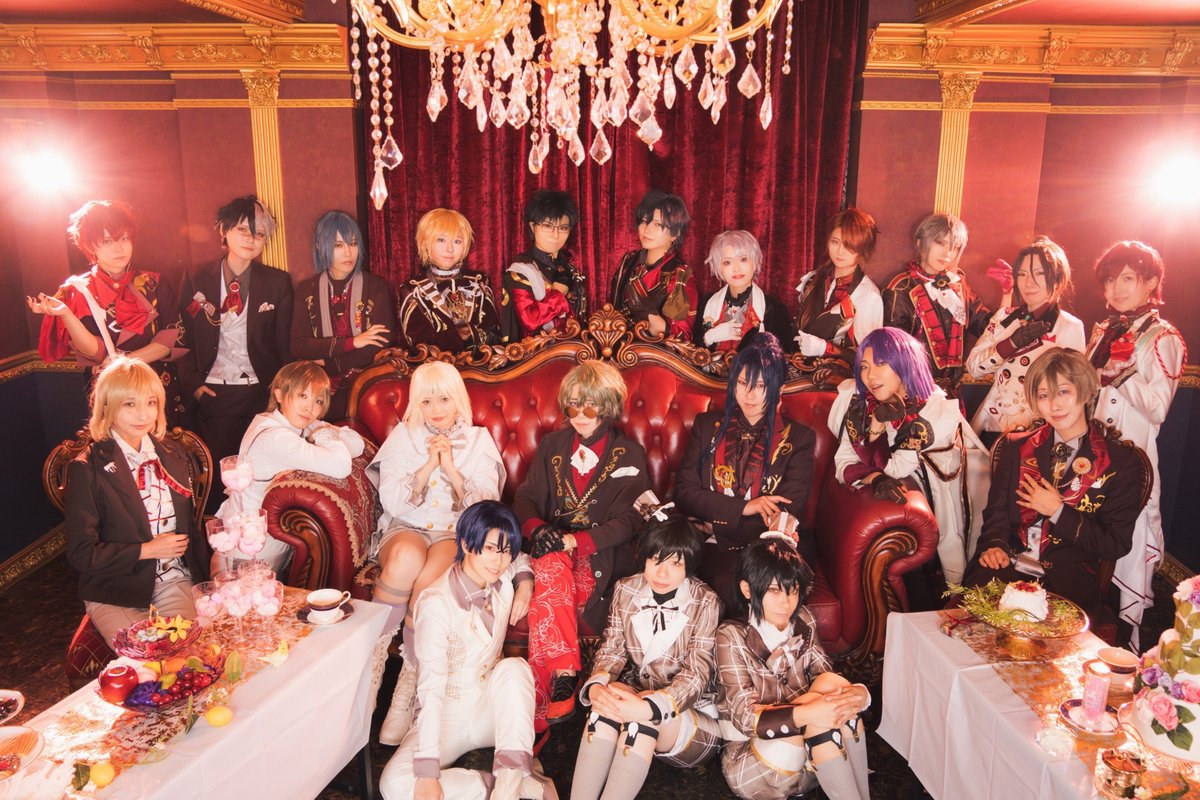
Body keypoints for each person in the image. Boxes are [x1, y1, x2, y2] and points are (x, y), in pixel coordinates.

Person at [370, 361, 508, 745]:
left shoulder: (478, 440)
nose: (436, 409)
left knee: (430, 582)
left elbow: (485, 506)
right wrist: (428, 464)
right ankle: (370, 677)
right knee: (404, 560)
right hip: (407, 526)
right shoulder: (403, 437)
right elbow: (393, 502)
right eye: (427, 401)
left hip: (453, 531)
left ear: (457, 398)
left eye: (444, 399)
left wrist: (450, 469)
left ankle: (407, 690)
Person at [964, 348, 1150, 624]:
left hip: (1068, 583)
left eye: (1063, 392)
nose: (1054, 405)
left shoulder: (1121, 464)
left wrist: (1058, 512)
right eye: (1043, 395)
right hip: (1004, 570)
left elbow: (1114, 544)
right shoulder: (1016, 447)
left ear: (1085, 392)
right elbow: (997, 514)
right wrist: (994, 546)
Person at [378, 501, 549, 800]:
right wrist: (427, 774)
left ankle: (507, 790)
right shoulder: (436, 603)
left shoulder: (501, 574)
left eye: (505, 550)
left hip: (491, 711)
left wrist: (525, 585)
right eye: (490, 549)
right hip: (447, 714)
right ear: (467, 544)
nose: (499, 561)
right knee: (394, 784)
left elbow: (521, 559)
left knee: (514, 669)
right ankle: (515, 786)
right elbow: (431, 690)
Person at [513, 361, 649, 730]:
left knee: (549, 581)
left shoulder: (629, 453)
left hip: (599, 555)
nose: (581, 416)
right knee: (551, 562)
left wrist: (576, 540)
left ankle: (542, 703)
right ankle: (565, 675)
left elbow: (631, 520)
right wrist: (538, 529)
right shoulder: (551, 445)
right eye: (573, 405)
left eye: (591, 406)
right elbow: (525, 498)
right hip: (553, 550)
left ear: (608, 406)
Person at [571, 512, 722, 800]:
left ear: (689, 565)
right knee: (606, 704)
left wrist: (649, 709)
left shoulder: (706, 602)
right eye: (655, 560)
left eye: (675, 564)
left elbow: (696, 675)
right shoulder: (626, 588)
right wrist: (598, 686)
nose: (662, 574)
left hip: (691, 718)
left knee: (641, 721)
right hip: (634, 701)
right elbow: (612, 649)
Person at [64, 356, 210, 647]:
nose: (143, 414)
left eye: (151, 402)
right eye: (129, 404)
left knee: (186, 653)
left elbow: (190, 528)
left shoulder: (173, 454)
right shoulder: (86, 468)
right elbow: (82, 553)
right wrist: (146, 550)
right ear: (107, 406)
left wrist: (211, 577)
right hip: (116, 590)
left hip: (174, 579)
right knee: (145, 657)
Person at [716, 534, 871, 800]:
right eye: (774, 591)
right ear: (747, 589)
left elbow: (826, 676)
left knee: (834, 688)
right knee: (822, 709)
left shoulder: (804, 618)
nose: (786, 603)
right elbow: (745, 718)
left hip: (814, 748)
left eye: (793, 590)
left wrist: (860, 694)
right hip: (755, 763)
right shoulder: (730, 635)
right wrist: (810, 712)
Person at [827, 327, 986, 585]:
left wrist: (876, 427)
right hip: (903, 524)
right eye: (864, 367)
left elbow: (896, 468)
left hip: (947, 512)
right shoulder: (859, 404)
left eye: (881, 363)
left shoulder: (934, 411)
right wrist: (875, 479)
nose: (870, 376)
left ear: (905, 363)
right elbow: (843, 463)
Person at [1085, 242, 1185, 641]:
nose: (1117, 288)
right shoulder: (1103, 330)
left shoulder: (1163, 337)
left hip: (1131, 462)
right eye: (1110, 280)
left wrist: (1122, 373)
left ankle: (1123, 647)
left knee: (1124, 554)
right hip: (1090, 456)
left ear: (1152, 282)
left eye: (1128, 278)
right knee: (1085, 551)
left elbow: (1158, 409)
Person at [672, 332, 816, 610]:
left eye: (761, 385)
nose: (750, 395)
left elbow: (785, 512)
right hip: (710, 545)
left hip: (768, 546)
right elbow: (684, 492)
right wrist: (745, 508)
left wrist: (716, 524)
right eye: (742, 383)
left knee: (755, 585)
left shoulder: (799, 438)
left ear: (778, 389)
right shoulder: (706, 426)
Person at [177, 195, 294, 514]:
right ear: (224, 231)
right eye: (243, 229)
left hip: (261, 393)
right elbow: (181, 335)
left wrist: (279, 395)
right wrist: (193, 384)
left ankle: (260, 536)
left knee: (262, 475)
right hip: (215, 392)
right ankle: (221, 535)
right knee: (221, 479)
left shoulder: (277, 282)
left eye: (259, 234)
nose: (251, 239)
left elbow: (283, 345)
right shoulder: (196, 278)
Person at [28, 200, 186, 422]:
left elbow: (170, 338)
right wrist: (66, 314)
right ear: (90, 246)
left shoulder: (155, 283)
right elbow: (95, 353)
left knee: (166, 439)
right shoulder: (79, 290)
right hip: (112, 390)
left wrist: (124, 362)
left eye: (124, 238)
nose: (119, 248)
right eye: (107, 241)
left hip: (156, 385)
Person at [217, 360, 364, 574]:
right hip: (250, 554)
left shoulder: (284, 421)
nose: (309, 408)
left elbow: (357, 444)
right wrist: (324, 434)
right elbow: (341, 466)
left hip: (265, 542)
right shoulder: (276, 437)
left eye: (318, 401)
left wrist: (320, 430)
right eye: (302, 396)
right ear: (279, 395)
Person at [966, 237, 1086, 445]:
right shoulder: (1004, 317)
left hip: (1032, 436)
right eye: (1022, 274)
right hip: (989, 427)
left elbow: (1070, 394)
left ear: (1057, 277)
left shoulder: (1069, 326)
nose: (1029, 283)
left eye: (1039, 273)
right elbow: (974, 368)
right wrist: (1011, 343)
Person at [883, 213, 1003, 396]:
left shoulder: (958, 283)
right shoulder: (901, 288)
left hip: (951, 394)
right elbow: (894, 350)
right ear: (920, 243)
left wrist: (1008, 293)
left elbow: (986, 326)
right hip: (913, 391)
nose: (947, 253)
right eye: (940, 243)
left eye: (954, 247)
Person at [291, 211, 394, 420]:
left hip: (367, 385)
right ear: (320, 246)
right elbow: (298, 345)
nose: (348, 252)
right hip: (320, 390)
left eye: (353, 244)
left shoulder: (375, 287)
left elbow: (379, 344)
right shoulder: (307, 289)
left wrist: (328, 363)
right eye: (338, 245)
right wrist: (352, 342)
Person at [396, 208, 500, 353]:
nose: (449, 249)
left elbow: (494, 334)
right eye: (441, 240)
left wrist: (458, 335)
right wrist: (465, 334)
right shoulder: (413, 289)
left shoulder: (479, 281)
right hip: (436, 366)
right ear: (425, 243)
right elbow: (421, 345)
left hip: (482, 364)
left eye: (457, 241)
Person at [794, 207, 884, 364]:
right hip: (796, 366)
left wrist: (826, 348)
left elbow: (869, 358)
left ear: (863, 248)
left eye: (849, 245)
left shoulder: (868, 297)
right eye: (835, 242)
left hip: (837, 376)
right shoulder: (813, 279)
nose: (840, 252)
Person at [499, 190, 588, 343]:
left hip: (577, 349)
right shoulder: (521, 270)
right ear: (533, 227)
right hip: (536, 354)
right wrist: (558, 293)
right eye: (548, 226)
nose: (556, 235)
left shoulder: (569, 267)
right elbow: (529, 320)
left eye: (563, 228)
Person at [609, 190, 698, 339]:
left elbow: (681, 336)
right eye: (644, 221)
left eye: (658, 224)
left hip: (652, 351)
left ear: (676, 234)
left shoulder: (680, 275)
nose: (647, 229)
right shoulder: (629, 261)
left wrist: (649, 314)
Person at [694, 230, 791, 354]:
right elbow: (690, 352)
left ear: (754, 262)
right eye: (727, 262)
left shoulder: (774, 309)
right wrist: (708, 338)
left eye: (743, 259)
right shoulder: (706, 303)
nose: (736, 268)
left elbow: (783, 357)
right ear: (719, 267)